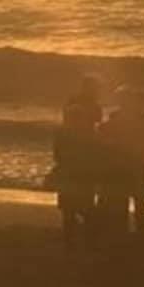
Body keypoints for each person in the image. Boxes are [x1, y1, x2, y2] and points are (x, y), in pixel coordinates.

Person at [48, 76, 104, 250]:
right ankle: (82, 238)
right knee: (80, 208)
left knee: (72, 208)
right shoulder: (86, 131)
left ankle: (73, 239)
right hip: (79, 172)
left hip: (73, 172)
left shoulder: (65, 131)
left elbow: (58, 154)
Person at [104, 86, 144, 239]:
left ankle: (133, 228)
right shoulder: (143, 118)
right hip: (130, 161)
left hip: (129, 161)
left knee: (131, 196)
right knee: (133, 196)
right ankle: (140, 229)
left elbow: (108, 136)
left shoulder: (119, 116)